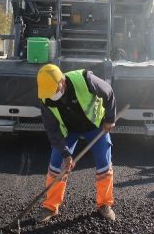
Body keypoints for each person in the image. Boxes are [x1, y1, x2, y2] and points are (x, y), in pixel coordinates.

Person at [36, 64, 117, 223]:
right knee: (56, 164)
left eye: (54, 90)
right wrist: (66, 154)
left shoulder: (85, 80)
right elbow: (53, 131)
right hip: (69, 130)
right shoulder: (45, 99)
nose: (51, 95)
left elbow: (108, 93)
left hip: (95, 125)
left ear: (62, 82)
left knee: (104, 164)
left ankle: (104, 205)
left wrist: (110, 119)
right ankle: (51, 206)